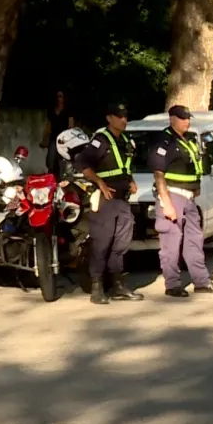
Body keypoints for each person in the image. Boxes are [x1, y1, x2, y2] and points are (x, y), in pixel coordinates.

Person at [148, 105, 213, 298]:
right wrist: (166, 203)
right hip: (173, 196)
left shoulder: (188, 140)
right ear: (172, 118)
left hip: (189, 199)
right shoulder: (164, 140)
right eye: (182, 118)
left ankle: (201, 281)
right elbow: (159, 174)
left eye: (188, 118)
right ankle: (172, 284)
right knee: (171, 243)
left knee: (195, 240)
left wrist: (195, 188)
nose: (187, 121)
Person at [73, 103, 143, 304]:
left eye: (125, 116)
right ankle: (97, 288)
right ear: (109, 118)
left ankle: (118, 285)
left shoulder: (126, 141)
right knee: (101, 244)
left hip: (122, 199)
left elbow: (124, 166)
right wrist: (100, 183)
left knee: (120, 244)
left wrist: (130, 180)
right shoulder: (100, 140)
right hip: (105, 199)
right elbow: (82, 164)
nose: (124, 120)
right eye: (119, 116)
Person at [41, 90, 75, 178]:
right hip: (53, 136)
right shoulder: (52, 110)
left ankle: (60, 178)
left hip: (64, 138)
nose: (59, 98)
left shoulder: (68, 110)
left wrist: (70, 139)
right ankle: (50, 176)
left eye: (61, 96)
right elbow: (48, 125)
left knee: (61, 159)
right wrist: (44, 138)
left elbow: (71, 125)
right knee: (50, 159)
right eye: (57, 96)